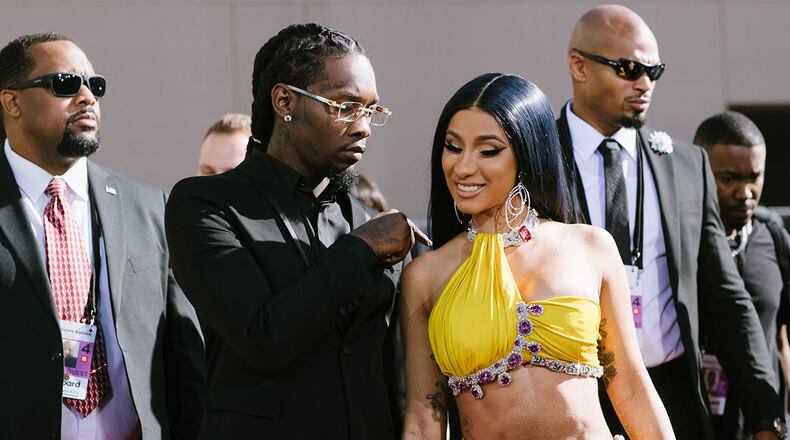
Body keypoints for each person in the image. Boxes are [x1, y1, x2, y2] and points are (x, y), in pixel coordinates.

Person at [165, 23, 428, 439]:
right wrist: (361, 249)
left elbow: (394, 373)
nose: (362, 127)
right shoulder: (205, 204)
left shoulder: (364, 218)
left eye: (370, 111)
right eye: (344, 106)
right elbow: (262, 338)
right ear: (284, 101)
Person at [400, 72, 673, 440]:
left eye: (488, 150)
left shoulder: (591, 247)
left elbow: (629, 382)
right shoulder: (426, 275)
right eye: (453, 146)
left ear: (528, 151)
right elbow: (424, 412)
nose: (463, 167)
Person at [556, 5, 785, 439]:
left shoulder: (686, 165)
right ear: (578, 66)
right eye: (628, 68)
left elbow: (725, 299)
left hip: (672, 396)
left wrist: (766, 414)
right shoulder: (536, 160)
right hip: (574, 398)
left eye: (653, 70)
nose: (644, 83)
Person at [0, 33, 205, 439]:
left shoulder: (149, 207)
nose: (87, 97)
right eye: (64, 83)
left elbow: (184, 357)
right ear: (12, 102)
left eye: (95, 85)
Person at [694, 111, 790, 439]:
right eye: (729, 178)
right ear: (699, 173)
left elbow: (783, 338)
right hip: (694, 422)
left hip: (760, 427)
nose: (745, 191)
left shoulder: (774, 239)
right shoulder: (675, 243)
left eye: (754, 176)